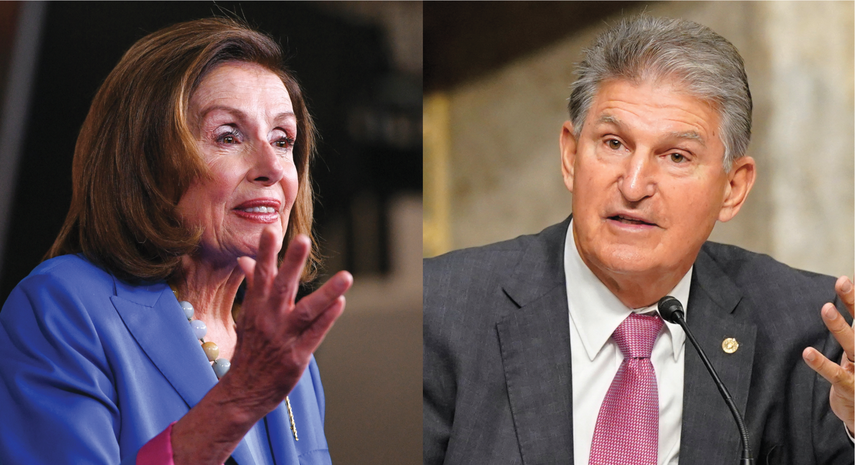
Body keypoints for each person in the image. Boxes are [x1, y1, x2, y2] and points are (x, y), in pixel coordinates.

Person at [423, 15, 854, 465]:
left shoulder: (810, 332)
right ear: (571, 156)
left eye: (675, 156)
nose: (633, 185)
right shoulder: (443, 311)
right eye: (613, 143)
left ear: (733, 189)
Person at [0, 18, 353, 465]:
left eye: (283, 140)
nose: (272, 168)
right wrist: (237, 402)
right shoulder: (61, 308)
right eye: (228, 136)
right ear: (147, 163)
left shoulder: (280, 350)